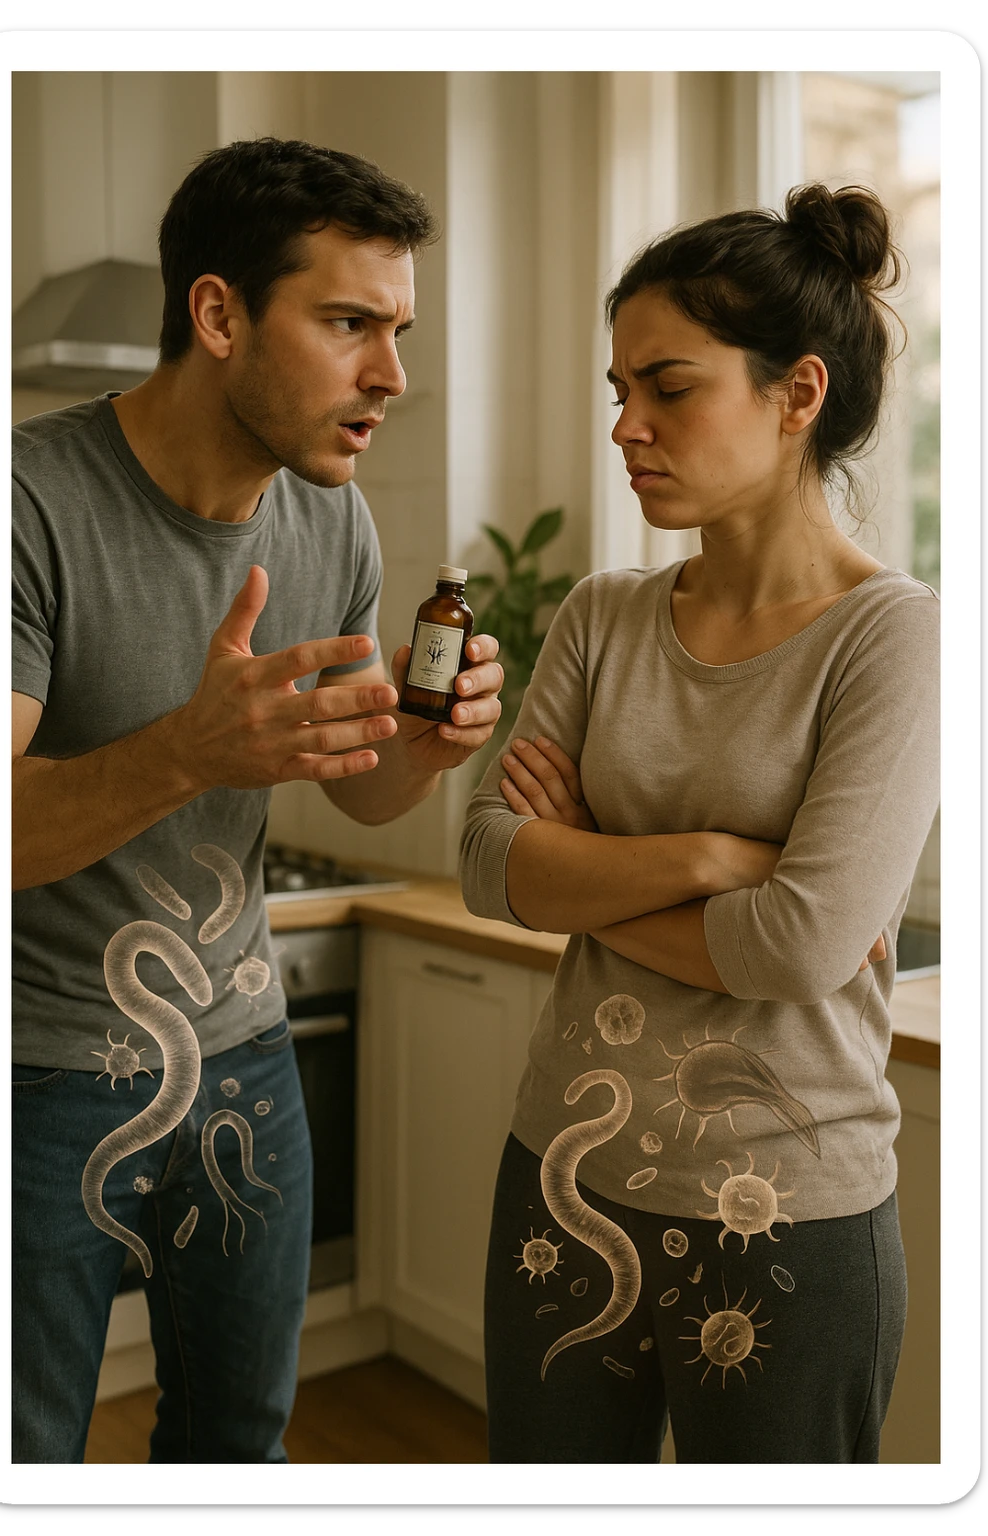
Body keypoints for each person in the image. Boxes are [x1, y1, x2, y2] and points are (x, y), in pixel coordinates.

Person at [11, 137, 504, 1464]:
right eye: (350, 324)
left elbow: (356, 789)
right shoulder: (18, 504)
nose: (392, 375)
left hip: (242, 1052)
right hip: (31, 1074)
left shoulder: (332, 522)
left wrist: (427, 740)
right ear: (218, 315)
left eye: (397, 330)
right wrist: (187, 750)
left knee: (239, 1444)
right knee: (26, 1449)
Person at [460, 183, 939, 1464]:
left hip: (786, 1210)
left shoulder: (891, 636)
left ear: (798, 396)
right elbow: (487, 861)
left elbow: (802, 945)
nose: (627, 425)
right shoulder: (603, 614)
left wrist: (592, 872)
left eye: (668, 388)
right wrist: (716, 861)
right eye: (618, 390)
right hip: (559, 1174)